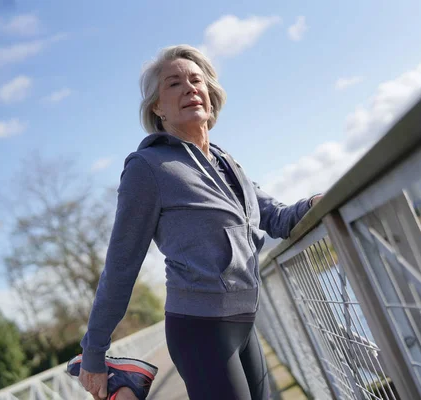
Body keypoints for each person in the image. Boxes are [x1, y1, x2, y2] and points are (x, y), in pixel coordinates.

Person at [78, 44, 323, 400]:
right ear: (157, 108)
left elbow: (277, 218)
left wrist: (317, 203)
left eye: (196, 80)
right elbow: (121, 264)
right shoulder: (147, 168)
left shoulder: (227, 163)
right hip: (199, 331)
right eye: (174, 83)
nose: (190, 88)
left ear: (210, 96)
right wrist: (95, 350)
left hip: (246, 322)